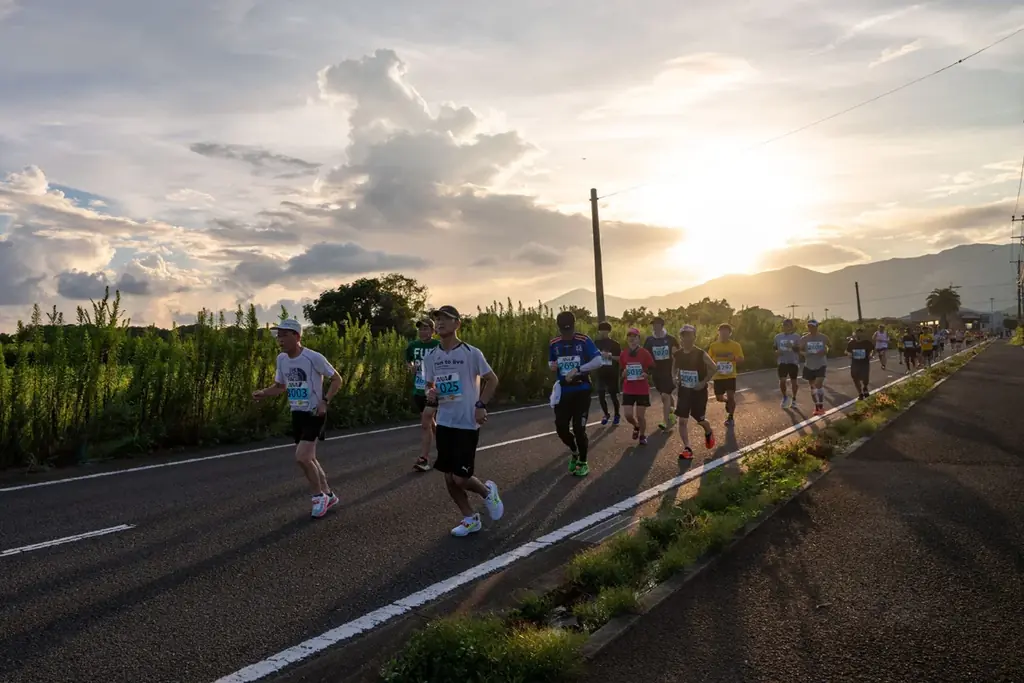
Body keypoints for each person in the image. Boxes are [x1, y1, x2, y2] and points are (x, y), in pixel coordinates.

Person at [422, 305, 504, 537]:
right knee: (449, 476)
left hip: (467, 422)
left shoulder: (471, 353)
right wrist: (432, 394)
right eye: (437, 319)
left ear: (458, 324)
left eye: (446, 319)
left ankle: (488, 493)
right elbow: (431, 385)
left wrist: (481, 405)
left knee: (460, 477)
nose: (439, 323)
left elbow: (492, 379)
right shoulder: (431, 357)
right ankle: (470, 518)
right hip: (445, 422)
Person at [252, 318, 342, 519]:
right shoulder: (281, 359)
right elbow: (280, 386)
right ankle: (329, 494)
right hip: (297, 413)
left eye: (284, 335)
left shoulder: (313, 358)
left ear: (297, 336)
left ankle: (318, 497)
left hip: (314, 413)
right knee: (309, 458)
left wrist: (324, 401)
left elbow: (337, 379)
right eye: (278, 335)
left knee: (302, 457)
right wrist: (263, 393)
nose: (280, 339)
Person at [549, 311, 605, 477]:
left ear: (574, 327)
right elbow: (551, 361)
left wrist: (578, 369)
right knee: (561, 427)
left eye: (569, 331)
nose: (567, 335)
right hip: (563, 391)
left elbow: (598, 361)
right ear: (559, 328)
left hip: (582, 390)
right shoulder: (554, 343)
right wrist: (552, 365)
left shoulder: (584, 340)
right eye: (564, 332)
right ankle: (574, 450)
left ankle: (583, 461)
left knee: (579, 428)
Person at [672, 325, 717, 460]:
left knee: (699, 419)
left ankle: (708, 430)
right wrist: (674, 377)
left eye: (689, 335)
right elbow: (673, 367)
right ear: (681, 337)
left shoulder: (700, 353)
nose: (686, 338)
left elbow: (714, 368)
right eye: (684, 335)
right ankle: (688, 448)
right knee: (682, 421)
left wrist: (703, 382)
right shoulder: (678, 354)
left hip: (698, 392)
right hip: (684, 390)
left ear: (694, 337)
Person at [406, 319, 441, 472]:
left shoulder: (437, 346)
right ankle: (445, 449)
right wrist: (411, 367)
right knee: (431, 422)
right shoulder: (413, 346)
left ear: (433, 331)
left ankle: (424, 459)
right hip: (418, 389)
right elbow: (408, 361)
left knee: (425, 423)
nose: (423, 332)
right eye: (421, 329)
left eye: (426, 329)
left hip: (433, 390)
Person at [620, 328, 656, 446]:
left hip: (641, 388)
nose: (632, 339)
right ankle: (636, 426)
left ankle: (642, 435)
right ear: (627, 339)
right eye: (630, 336)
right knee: (628, 415)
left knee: (640, 415)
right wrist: (623, 374)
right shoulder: (623, 353)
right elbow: (621, 369)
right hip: (628, 388)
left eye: (634, 336)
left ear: (638, 339)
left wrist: (646, 374)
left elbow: (652, 367)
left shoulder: (644, 353)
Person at [643, 317, 680, 431]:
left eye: (657, 324)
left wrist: (676, 371)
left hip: (668, 371)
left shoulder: (671, 339)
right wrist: (646, 371)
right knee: (666, 396)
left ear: (662, 325)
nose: (655, 326)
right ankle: (673, 413)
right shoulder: (649, 340)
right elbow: (645, 356)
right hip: (656, 372)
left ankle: (665, 421)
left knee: (665, 396)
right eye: (653, 324)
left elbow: (677, 356)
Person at [707, 323, 744, 426]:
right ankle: (727, 401)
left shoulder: (736, 345)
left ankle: (730, 417)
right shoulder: (714, 345)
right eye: (721, 332)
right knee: (719, 398)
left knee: (731, 396)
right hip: (718, 376)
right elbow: (708, 359)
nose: (723, 334)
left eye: (726, 332)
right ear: (718, 333)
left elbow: (741, 359)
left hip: (730, 375)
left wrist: (733, 358)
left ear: (730, 333)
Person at [799, 320, 830, 416]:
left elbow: (829, 346)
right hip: (809, 364)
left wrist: (825, 351)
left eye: (813, 326)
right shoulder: (804, 338)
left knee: (818, 384)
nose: (811, 328)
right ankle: (817, 407)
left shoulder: (823, 337)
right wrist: (805, 354)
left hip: (821, 363)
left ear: (817, 327)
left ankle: (821, 405)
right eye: (809, 326)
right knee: (812, 387)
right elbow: (799, 350)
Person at [594, 321, 622, 426]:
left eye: (605, 330)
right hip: (600, 372)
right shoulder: (595, 343)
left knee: (613, 395)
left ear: (609, 331)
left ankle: (617, 415)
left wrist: (609, 356)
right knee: (601, 395)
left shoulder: (615, 344)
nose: (603, 332)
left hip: (612, 373)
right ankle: (606, 414)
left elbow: (620, 358)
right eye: (601, 330)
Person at [774, 319, 802, 409]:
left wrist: (792, 347)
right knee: (782, 381)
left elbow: (800, 349)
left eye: (787, 325)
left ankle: (794, 399)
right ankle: (785, 397)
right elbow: (774, 348)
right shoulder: (777, 337)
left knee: (794, 381)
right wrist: (776, 352)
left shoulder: (796, 337)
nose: (785, 327)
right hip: (782, 362)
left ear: (791, 326)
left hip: (793, 362)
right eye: (784, 325)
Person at [846, 328, 874, 400]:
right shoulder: (851, 343)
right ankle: (860, 393)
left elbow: (872, 350)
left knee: (865, 379)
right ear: (855, 334)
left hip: (864, 363)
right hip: (855, 363)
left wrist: (871, 355)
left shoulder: (867, 343)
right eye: (857, 334)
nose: (858, 335)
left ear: (863, 334)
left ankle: (865, 387)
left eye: (860, 334)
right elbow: (847, 351)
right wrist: (849, 354)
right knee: (855, 378)